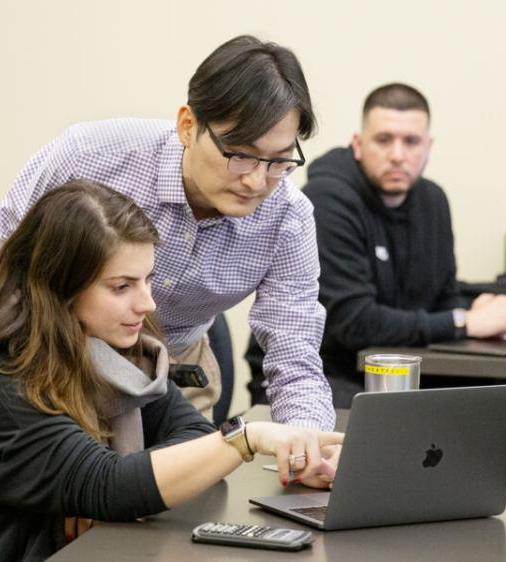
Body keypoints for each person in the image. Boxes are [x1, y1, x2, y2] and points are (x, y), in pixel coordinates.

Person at [0, 35, 334, 431]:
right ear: (188, 126)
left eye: (279, 162)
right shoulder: (88, 156)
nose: (257, 182)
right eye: (241, 155)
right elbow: (8, 261)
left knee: (192, 481)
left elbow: (295, 357)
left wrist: (308, 440)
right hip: (54, 357)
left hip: (173, 365)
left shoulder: (288, 219)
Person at [0, 180, 343, 562]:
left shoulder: (120, 355)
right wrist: (245, 440)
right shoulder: (11, 376)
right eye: (121, 287)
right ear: (58, 284)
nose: (147, 303)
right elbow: (108, 484)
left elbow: (191, 433)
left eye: (147, 280)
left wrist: (126, 483)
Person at [247, 83, 506, 407]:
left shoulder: (432, 201)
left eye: (411, 142)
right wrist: (463, 322)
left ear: (428, 146)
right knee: (420, 421)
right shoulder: (327, 200)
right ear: (358, 144)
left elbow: (440, 294)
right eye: (384, 140)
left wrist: (473, 309)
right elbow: (355, 322)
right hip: (319, 375)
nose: (397, 155)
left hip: (392, 369)